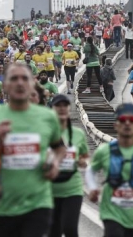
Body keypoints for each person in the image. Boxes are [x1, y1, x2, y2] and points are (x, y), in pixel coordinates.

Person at [0, 63, 67, 237]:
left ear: (32, 83)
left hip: (38, 203)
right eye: (14, 79)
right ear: (4, 85)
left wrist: (55, 163)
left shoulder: (47, 117)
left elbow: (59, 148)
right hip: (1, 205)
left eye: (24, 78)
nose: (19, 83)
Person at [85, 104, 133, 237]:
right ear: (116, 125)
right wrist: (92, 188)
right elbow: (90, 170)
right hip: (111, 214)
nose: (127, 124)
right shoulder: (105, 150)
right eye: (122, 120)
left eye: (131, 120)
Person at [49, 95, 89, 237]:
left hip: (72, 188)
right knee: (53, 232)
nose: (62, 108)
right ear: (51, 109)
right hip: (49, 190)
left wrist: (82, 162)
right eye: (58, 106)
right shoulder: (44, 132)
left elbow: (84, 156)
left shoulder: (78, 134)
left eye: (65, 105)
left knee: (70, 229)